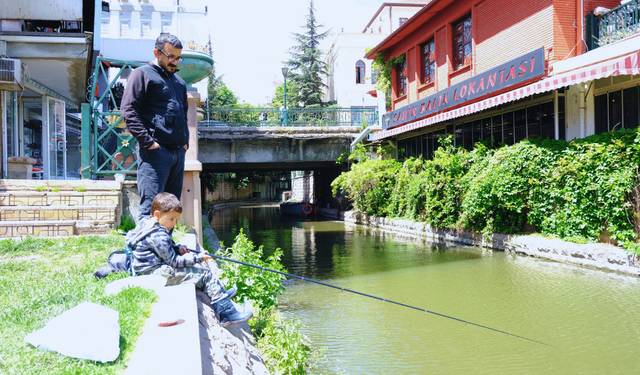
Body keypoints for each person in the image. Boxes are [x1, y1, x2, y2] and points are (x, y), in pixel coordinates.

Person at [125, 192, 253, 327]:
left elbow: (160, 249)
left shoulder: (146, 223)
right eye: (171, 219)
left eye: (176, 220)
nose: (174, 224)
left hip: (145, 272)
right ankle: (227, 314)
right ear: (157, 215)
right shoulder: (159, 234)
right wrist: (199, 258)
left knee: (200, 272)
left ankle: (220, 294)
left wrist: (176, 248)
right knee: (205, 274)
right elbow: (173, 262)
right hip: (155, 275)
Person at [121, 34, 189, 221]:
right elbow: (128, 110)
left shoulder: (179, 83)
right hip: (155, 153)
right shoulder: (141, 74)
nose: (174, 62)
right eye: (170, 56)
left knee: (171, 210)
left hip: (177, 153)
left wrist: (185, 143)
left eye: (178, 57)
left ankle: (165, 248)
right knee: (151, 209)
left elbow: (183, 115)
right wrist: (148, 143)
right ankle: (144, 249)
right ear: (156, 53)